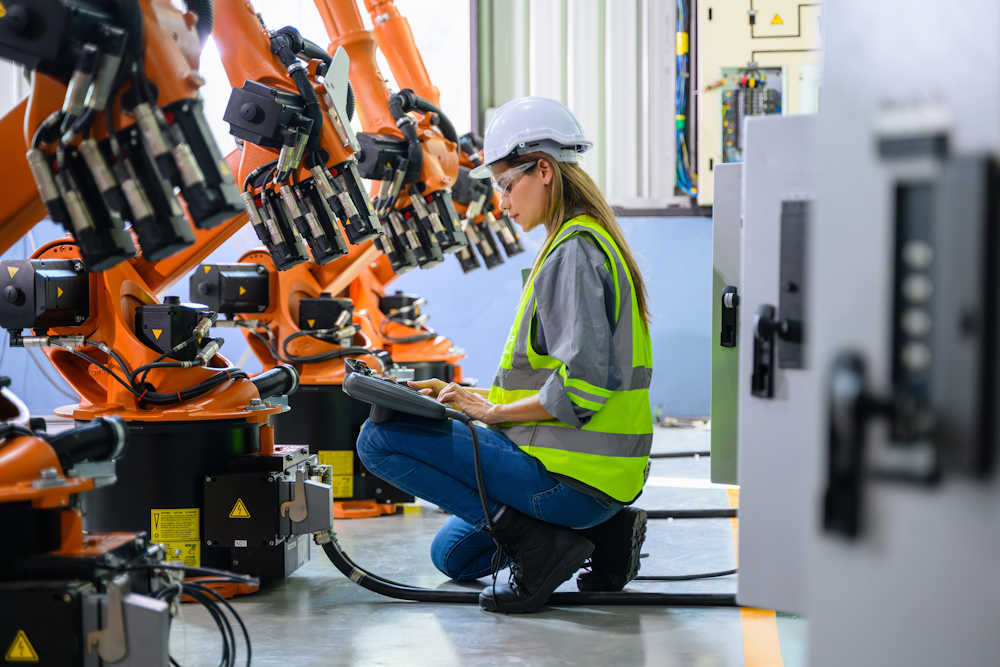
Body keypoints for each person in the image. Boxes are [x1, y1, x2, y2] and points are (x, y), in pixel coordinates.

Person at [356, 96, 654, 614]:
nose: (503, 201)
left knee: (377, 439)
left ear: (543, 170)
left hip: (571, 479)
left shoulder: (574, 252)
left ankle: (546, 545)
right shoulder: (581, 242)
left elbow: (581, 387)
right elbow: (548, 379)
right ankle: (607, 533)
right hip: (598, 481)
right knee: (451, 555)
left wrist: (492, 414)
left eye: (506, 185)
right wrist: (468, 398)